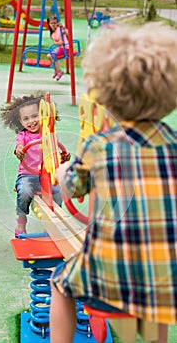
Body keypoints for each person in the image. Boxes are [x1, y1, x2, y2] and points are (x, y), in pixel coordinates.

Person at [49, 23, 177, 343]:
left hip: (107, 279)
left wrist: (64, 171)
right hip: (167, 283)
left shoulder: (100, 145)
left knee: (60, 283)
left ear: (106, 91)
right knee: (154, 303)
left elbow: (74, 188)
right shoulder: (173, 146)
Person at [0, 93, 70, 237]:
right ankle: (21, 219)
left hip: (47, 175)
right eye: (26, 119)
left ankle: (51, 225)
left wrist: (64, 157)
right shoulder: (23, 136)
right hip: (27, 174)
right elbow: (19, 146)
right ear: (20, 121)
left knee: (57, 193)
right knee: (25, 192)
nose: (31, 121)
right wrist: (19, 150)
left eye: (34, 116)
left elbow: (55, 154)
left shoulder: (49, 134)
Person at [47, 15, 68, 81]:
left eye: (55, 23)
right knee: (49, 56)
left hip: (66, 48)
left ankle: (59, 71)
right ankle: (56, 70)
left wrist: (63, 27)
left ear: (57, 23)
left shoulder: (59, 29)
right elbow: (56, 43)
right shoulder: (52, 34)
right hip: (61, 48)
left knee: (53, 55)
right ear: (49, 24)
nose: (53, 24)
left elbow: (68, 33)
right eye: (51, 23)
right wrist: (58, 43)